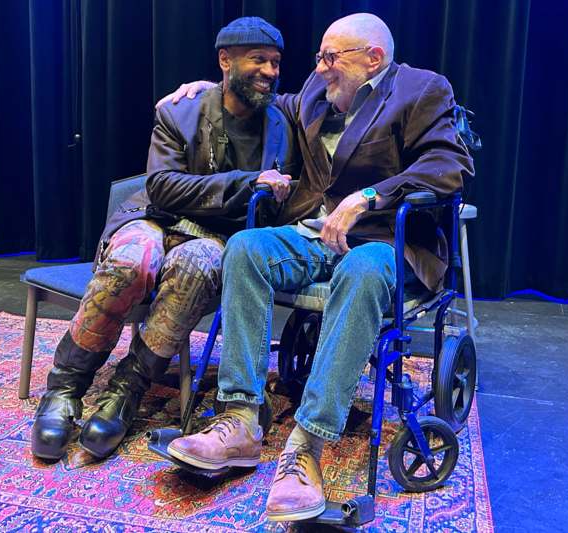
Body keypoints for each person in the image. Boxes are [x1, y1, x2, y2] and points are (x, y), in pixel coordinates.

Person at [164, 12, 474, 522]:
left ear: (373, 58)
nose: (321, 68)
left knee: (365, 268)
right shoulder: (316, 89)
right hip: (317, 233)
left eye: (332, 58)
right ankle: (240, 418)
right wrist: (209, 87)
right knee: (245, 247)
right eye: (319, 57)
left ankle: (306, 445)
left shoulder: (422, 91)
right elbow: (270, 102)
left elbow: (448, 167)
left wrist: (370, 197)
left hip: (386, 242)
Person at [30, 16, 295, 461]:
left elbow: (333, 96)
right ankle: (64, 388)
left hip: (215, 235)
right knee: (134, 260)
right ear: (225, 61)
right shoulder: (180, 110)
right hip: (154, 218)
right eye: (258, 60)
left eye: (275, 62)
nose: (270, 71)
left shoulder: (283, 118)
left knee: (198, 265)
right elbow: (164, 187)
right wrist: (249, 183)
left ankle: (127, 389)